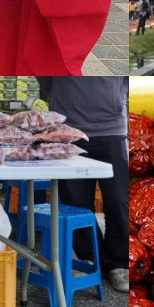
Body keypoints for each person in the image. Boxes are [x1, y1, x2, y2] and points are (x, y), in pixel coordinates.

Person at [37, 78, 128, 292]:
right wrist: (60, 97)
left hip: (111, 129)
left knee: (120, 199)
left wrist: (116, 99)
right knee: (75, 202)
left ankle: (119, 263)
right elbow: (45, 76)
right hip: (67, 130)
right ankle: (91, 256)